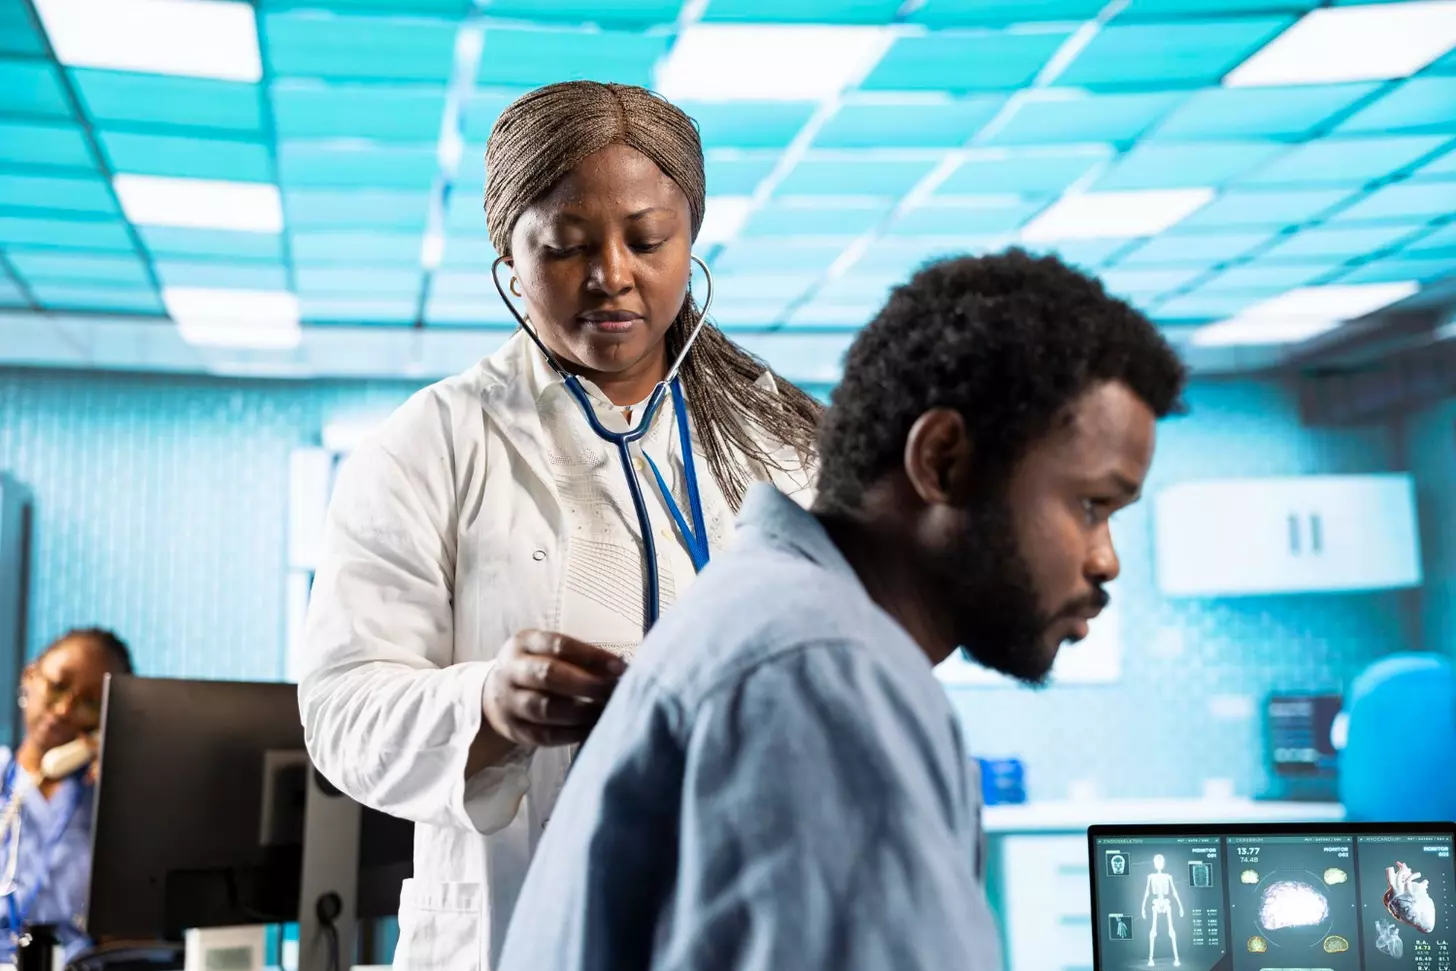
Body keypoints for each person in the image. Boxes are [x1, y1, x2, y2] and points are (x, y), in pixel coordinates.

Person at [497, 249, 1189, 971]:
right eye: (1090, 505)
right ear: (944, 460)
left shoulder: (769, 614)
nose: (1106, 559)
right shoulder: (825, 673)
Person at [296, 80, 820, 971]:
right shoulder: (434, 441)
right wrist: (487, 705)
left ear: (691, 239)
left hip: (747, 912)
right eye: (567, 245)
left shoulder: (784, 443)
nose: (612, 272)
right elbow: (340, 711)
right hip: (528, 923)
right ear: (511, 259)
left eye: (648, 240)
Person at [0, 628, 134, 964]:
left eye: (89, 703)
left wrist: (122, 790)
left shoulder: (112, 799)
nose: (62, 710)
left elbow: (134, 937)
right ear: (30, 676)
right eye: (57, 686)